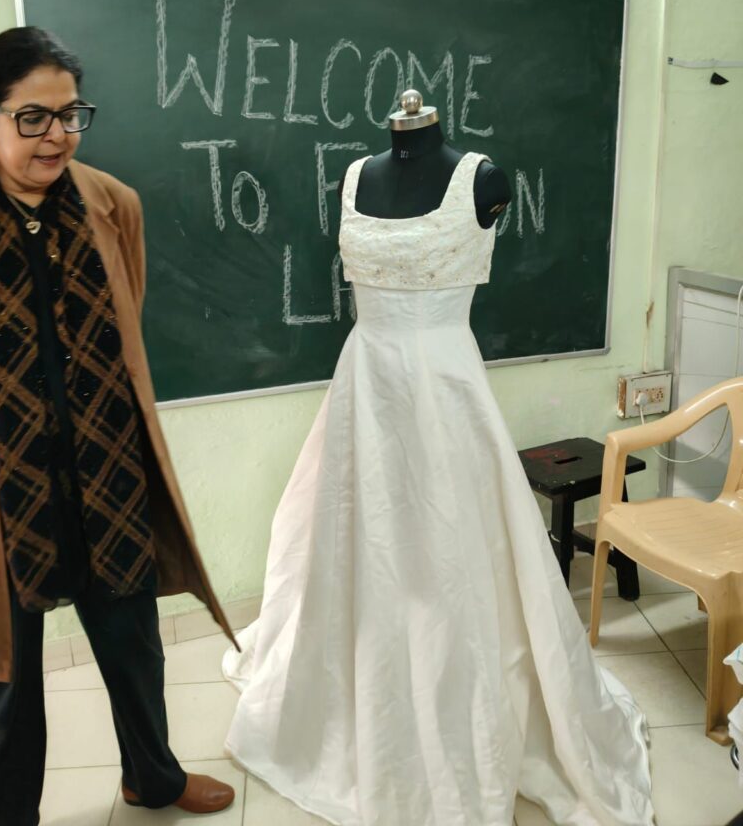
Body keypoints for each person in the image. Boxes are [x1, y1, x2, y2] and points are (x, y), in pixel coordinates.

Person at [222, 91, 655, 826]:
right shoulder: (353, 178)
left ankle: (460, 703)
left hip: (446, 385)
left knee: (452, 548)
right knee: (361, 538)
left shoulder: (484, 180)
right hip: (366, 384)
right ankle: (359, 692)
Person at [0, 26, 238, 825]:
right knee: (4, 677)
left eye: (70, 115)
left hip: (105, 460)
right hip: (1, 482)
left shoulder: (112, 204)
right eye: (32, 118)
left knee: (133, 640)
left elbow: (128, 320)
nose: (56, 135)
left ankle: (152, 778)